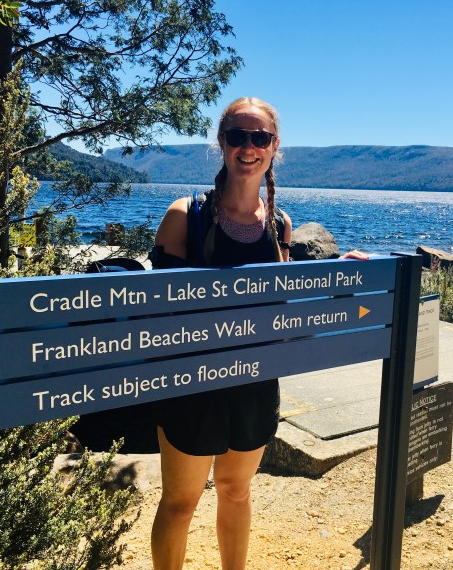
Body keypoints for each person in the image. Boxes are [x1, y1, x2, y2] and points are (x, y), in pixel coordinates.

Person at [148, 96, 291, 570]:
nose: (249, 147)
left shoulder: (280, 225)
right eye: (237, 136)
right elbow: (157, 315)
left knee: (236, 490)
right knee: (180, 503)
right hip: (191, 385)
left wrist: (344, 274)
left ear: (274, 146)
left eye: (260, 138)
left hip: (254, 381)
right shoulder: (184, 216)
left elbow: (281, 305)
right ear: (222, 143)